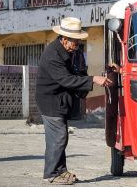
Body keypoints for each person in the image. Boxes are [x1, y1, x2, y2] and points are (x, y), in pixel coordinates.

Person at [36, 17, 113, 185]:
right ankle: (51, 173)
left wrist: (87, 81)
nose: (77, 46)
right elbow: (66, 80)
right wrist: (93, 80)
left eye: (78, 42)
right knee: (58, 137)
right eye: (75, 42)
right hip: (50, 101)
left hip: (61, 100)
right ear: (64, 39)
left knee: (60, 137)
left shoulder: (72, 51)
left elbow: (79, 71)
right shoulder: (52, 55)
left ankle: (60, 171)